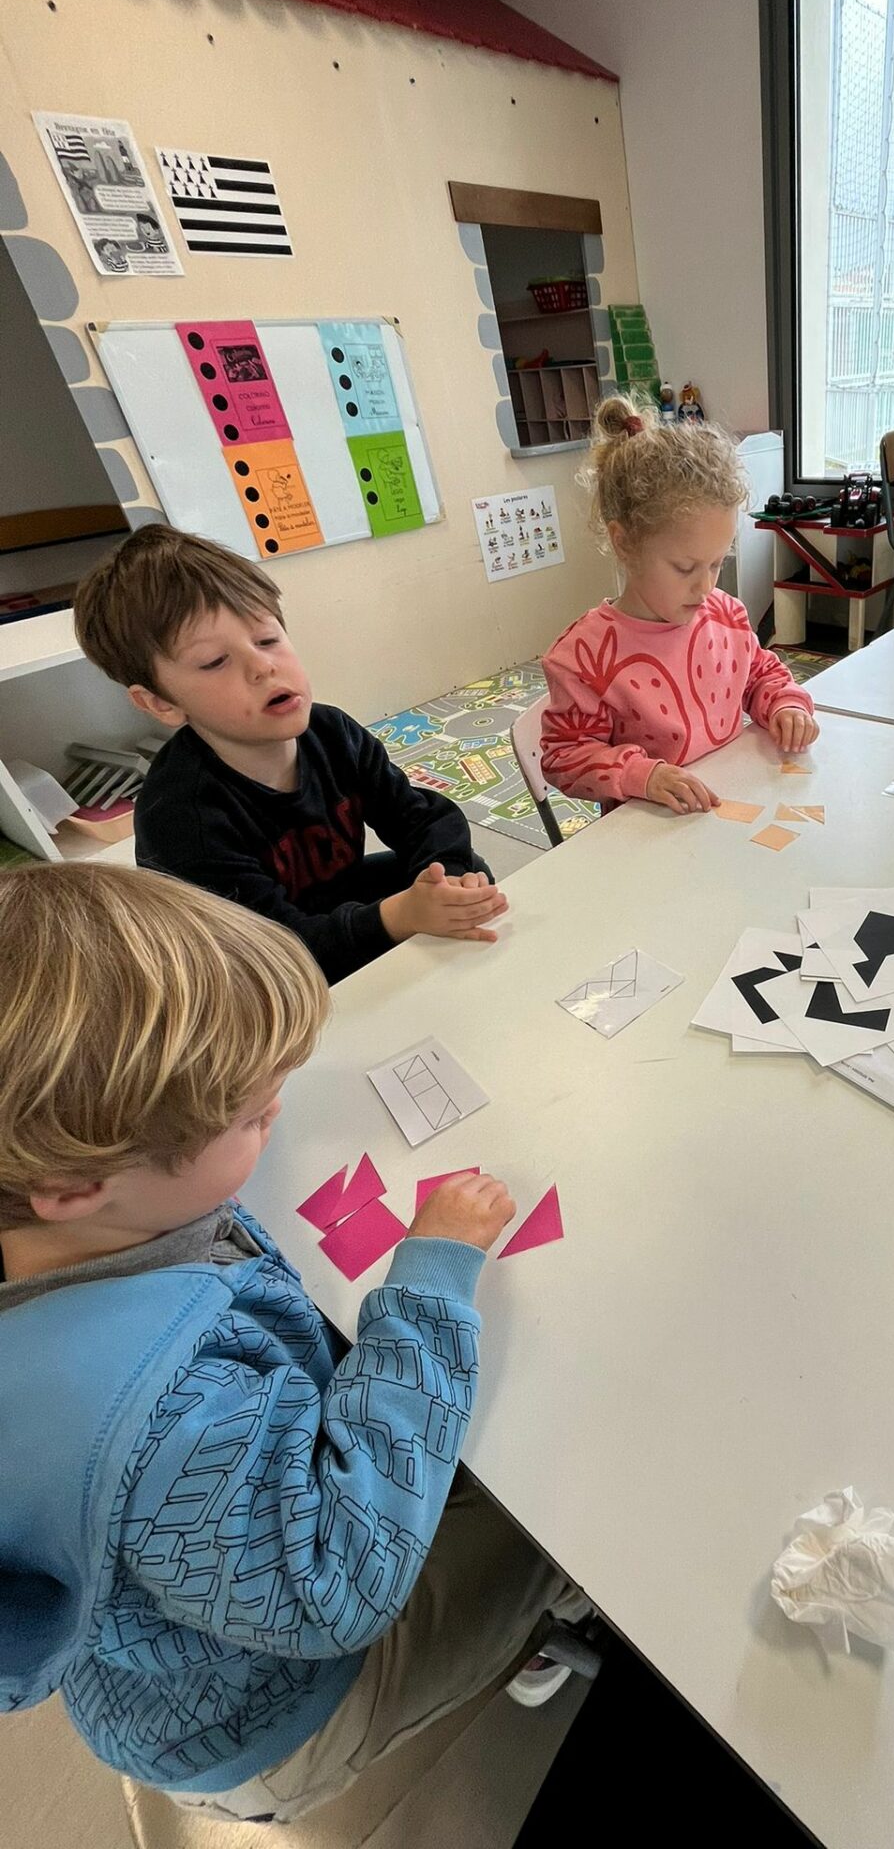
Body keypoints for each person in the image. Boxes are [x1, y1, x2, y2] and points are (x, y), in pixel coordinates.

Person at [0, 865, 577, 1824]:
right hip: (269, 1713)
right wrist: (428, 1283)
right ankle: (543, 1629)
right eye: (250, 1117)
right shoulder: (155, 1421)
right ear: (75, 1187)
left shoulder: (75, 1226)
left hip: (202, 1626)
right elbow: (338, 1582)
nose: (277, 1117)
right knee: (564, 1524)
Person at [73, 524, 507, 984]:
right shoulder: (180, 816)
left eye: (267, 639)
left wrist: (448, 881)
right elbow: (268, 953)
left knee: (463, 870)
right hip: (254, 962)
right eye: (215, 662)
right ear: (161, 703)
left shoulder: (332, 732)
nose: (263, 666)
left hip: (329, 905)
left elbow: (420, 817)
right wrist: (398, 917)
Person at [539, 395, 819, 813]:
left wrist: (786, 704)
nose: (705, 587)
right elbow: (564, 757)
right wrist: (641, 775)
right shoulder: (583, 658)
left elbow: (759, 674)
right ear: (624, 543)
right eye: (685, 567)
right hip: (650, 831)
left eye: (717, 563)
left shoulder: (726, 615)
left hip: (728, 810)